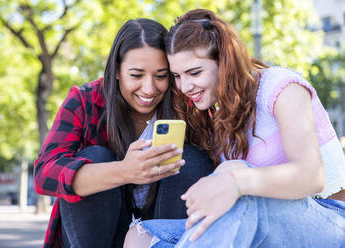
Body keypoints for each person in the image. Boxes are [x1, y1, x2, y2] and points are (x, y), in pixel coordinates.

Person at [124, 9, 345, 248]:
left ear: (225, 62)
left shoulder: (281, 87)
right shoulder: (218, 114)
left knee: (234, 171)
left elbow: (311, 176)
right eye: (177, 76)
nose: (185, 86)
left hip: (328, 219)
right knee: (141, 235)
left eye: (195, 72)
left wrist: (235, 181)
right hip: (259, 224)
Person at [34, 18, 215, 248]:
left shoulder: (186, 104)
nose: (149, 89)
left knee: (193, 159)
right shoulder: (86, 100)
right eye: (137, 75)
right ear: (117, 71)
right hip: (97, 234)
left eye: (161, 76)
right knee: (95, 157)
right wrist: (124, 172)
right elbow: (44, 174)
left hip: (157, 232)